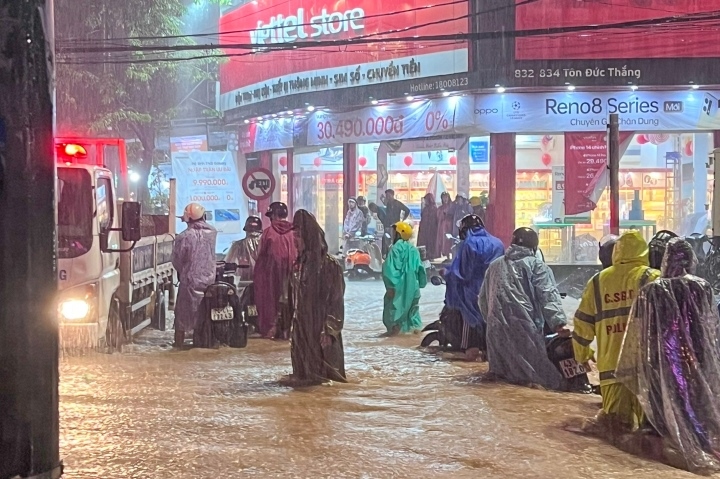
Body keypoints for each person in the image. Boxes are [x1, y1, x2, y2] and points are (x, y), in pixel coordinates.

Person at [617, 238, 720, 473]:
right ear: (690, 260)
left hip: (657, 360)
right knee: (694, 403)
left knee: (661, 403)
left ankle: (667, 446)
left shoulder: (650, 291)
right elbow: (709, 328)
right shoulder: (701, 286)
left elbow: (640, 333)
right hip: (695, 359)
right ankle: (697, 442)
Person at [572, 230, 660, 432]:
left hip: (611, 369)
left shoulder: (597, 281)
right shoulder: (653, 278)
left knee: (614, 430)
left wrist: (582, 355)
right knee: (650, 432)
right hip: (644, 369)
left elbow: (582, 323)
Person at [480, 227, 570, 390]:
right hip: (524, 329)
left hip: (495, 332)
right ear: (534, 247)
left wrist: (493, 321)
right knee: (536, 380)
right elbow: (547, 295)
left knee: (501, 380)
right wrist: (559, 323)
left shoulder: (494, 266)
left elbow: (483, 300)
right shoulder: (537, 266)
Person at [289, 210, 347, 385]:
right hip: (301, 329)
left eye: (298, 236)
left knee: (327, 381)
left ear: (310, 237)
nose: (294, 241)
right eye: (294, 236)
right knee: (305, 379)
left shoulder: (330, 265)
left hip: (321, 330)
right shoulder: (300, 265)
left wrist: (329, 330)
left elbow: (336, 301)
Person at [444, 214, 504, 361]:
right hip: (493, 291)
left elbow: (462, 273)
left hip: (472, 292)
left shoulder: (469, 244)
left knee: (470, 335)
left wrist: (447, 273)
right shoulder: (498, 243)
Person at [171, 203, 217, 348]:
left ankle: (178, 345)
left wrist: (184, 272)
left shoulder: (183, 237)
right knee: (204, 316)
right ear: (203, 216)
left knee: (182, 318)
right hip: (211, 281)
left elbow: (177, 260)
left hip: (190, 282)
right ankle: (200, 342)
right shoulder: (212, 233)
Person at [254, 202, 297, 339]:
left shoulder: (267, 233)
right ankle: (289, 331)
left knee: (269, 304)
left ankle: (271, 330)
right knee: (293, 302)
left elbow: (260, 255)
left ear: (273, 215)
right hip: (293, 276)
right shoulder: (295, 232)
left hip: (271, 277)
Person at [382, 222, 427, 335]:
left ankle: (396, 343)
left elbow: (389, 269)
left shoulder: (395, 249)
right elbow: (421, 270)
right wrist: (420, 284)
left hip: (398, 289)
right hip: (413, 289)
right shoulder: (413, 249)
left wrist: (390, 286)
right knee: (413, 317)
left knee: (395, 319)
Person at [224, 216, 263, 281]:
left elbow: (228, 265)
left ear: (246, 230)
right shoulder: (265, 244)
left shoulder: (237, 245)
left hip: (242, 282)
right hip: (261, 281)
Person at [417, 193, 438, 260]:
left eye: (426, 200)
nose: (425, 201)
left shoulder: (434, 209)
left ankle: (431, 255)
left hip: (431, 229)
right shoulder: (425, 209)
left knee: (431, 243)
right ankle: (424, 255)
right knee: (424, 243)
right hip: (424, 229)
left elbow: (436, 220)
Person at [436, 192, 454, 258]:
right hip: (442, 227)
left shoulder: (452, 207)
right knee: (443, 241)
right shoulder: (440, 208)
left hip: (450, 226)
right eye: (443, 197)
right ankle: (446, 255)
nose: (445, 199)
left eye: (446, 197)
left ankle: (450, 254)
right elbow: (438, 217)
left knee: (449, 241)